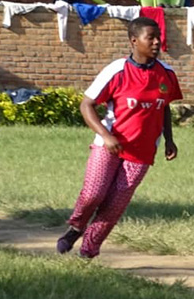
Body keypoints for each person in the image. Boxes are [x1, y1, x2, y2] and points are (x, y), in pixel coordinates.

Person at [56, 17, 182, 258]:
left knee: (115, 205)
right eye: (150, 38)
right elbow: (87, 105)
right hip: (109, 145)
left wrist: (169, 139)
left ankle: (89, 249)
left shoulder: (167, 74)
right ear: (134, 41)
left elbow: (163, 106)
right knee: (94, 193)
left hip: (142, 151)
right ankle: (76, 227)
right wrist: (106, 135)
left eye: (159, 38)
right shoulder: (117, 70)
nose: (157, 42)